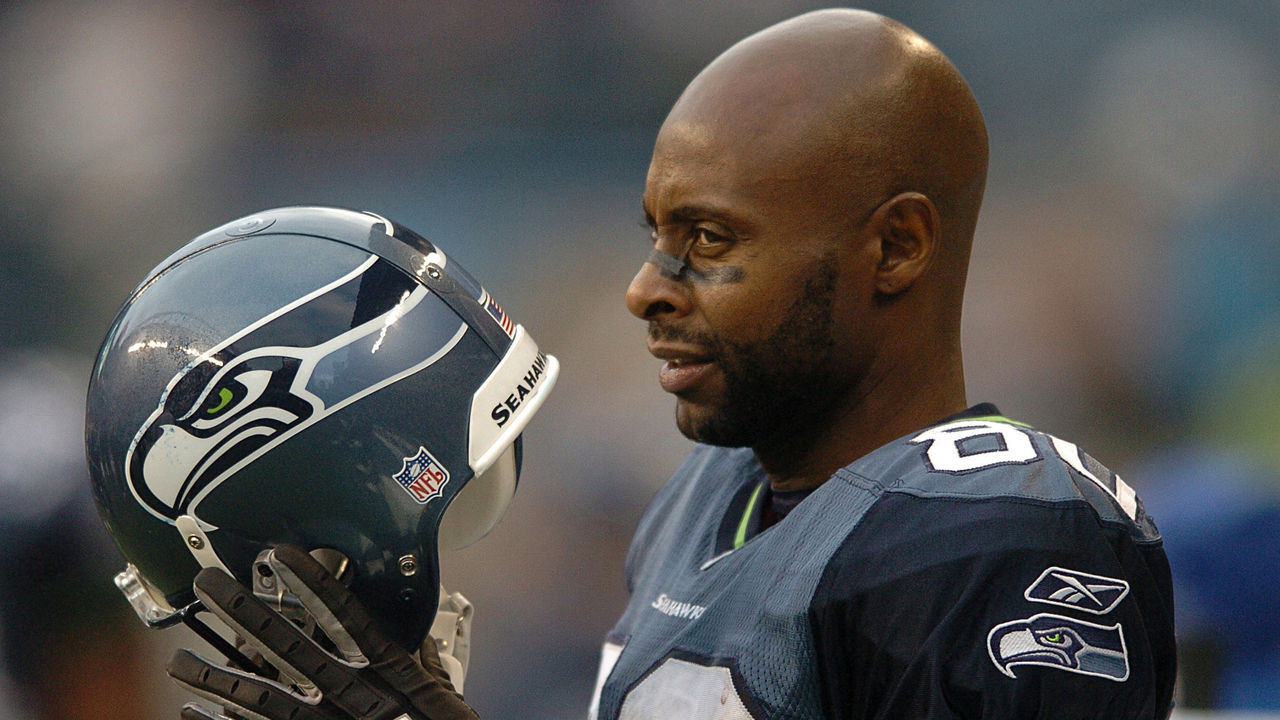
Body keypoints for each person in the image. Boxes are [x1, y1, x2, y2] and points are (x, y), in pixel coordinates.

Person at [137, 8, 1177, 720]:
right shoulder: (701, 502)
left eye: (709, 241)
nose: (646, 288)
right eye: (653, 236)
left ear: (895, 248)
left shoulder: (1001, 533)